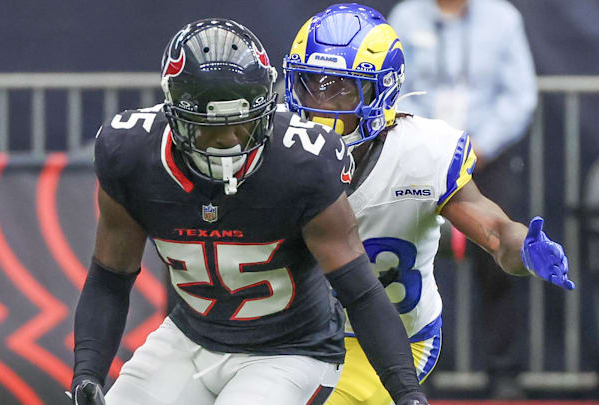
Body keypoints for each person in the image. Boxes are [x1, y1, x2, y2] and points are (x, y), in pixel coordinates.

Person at [69, 18, 428, 405]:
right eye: (209, 128)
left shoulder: (302, 165)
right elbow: (110, 277)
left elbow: (361, 293)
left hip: (290, 351)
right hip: (189, 338)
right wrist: (87, 373)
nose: (228, 141)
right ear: (175, 117)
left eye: (242, 124)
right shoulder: (131, 155)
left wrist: (406, 393)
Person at [282, 4, 573, 405]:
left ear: (380, 89)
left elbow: (495, 231)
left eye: (342, 88)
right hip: (291, 334)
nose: (321, 103)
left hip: (386, 343)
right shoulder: (277, 144)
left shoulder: (422, 153)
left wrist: (521, 248)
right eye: (311, 84)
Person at [387, 0, 538, 397]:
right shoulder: (406, 16)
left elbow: (519, 95)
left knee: (503, 262)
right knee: (412, 265)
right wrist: (437, 143)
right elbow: (395, 88)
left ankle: (505, 374)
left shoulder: (503, 18)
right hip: (421, 160)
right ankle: (417, 372)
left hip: (489, 160)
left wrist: (475, 147)